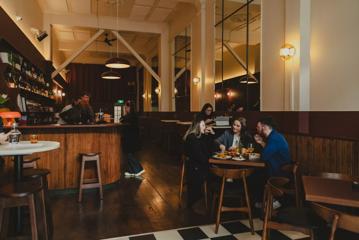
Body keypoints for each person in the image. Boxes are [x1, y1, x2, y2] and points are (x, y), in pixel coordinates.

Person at [183, 116, 214, 213]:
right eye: (203, 125)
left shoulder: (199, 137)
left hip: (198, 165)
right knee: (215, 174)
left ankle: (210, 200)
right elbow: (201, 157)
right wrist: (210, 161)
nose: (205, 127)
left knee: (214, 171)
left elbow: (208, 149)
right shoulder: (192, 138)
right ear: (197, 126)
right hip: (194, 168)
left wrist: (210, 135)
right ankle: (199, 201)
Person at [121, 100, 144, 177]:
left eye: (126, 107)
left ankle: (139, 169)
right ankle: (131, 171)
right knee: (129, 154)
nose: (125, 109)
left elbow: (122, 119)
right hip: (132, 138)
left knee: (129, 154)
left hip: (131, 138)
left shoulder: (132, 115)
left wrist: (124, 115)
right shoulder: (133, 115)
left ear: (130, 107)